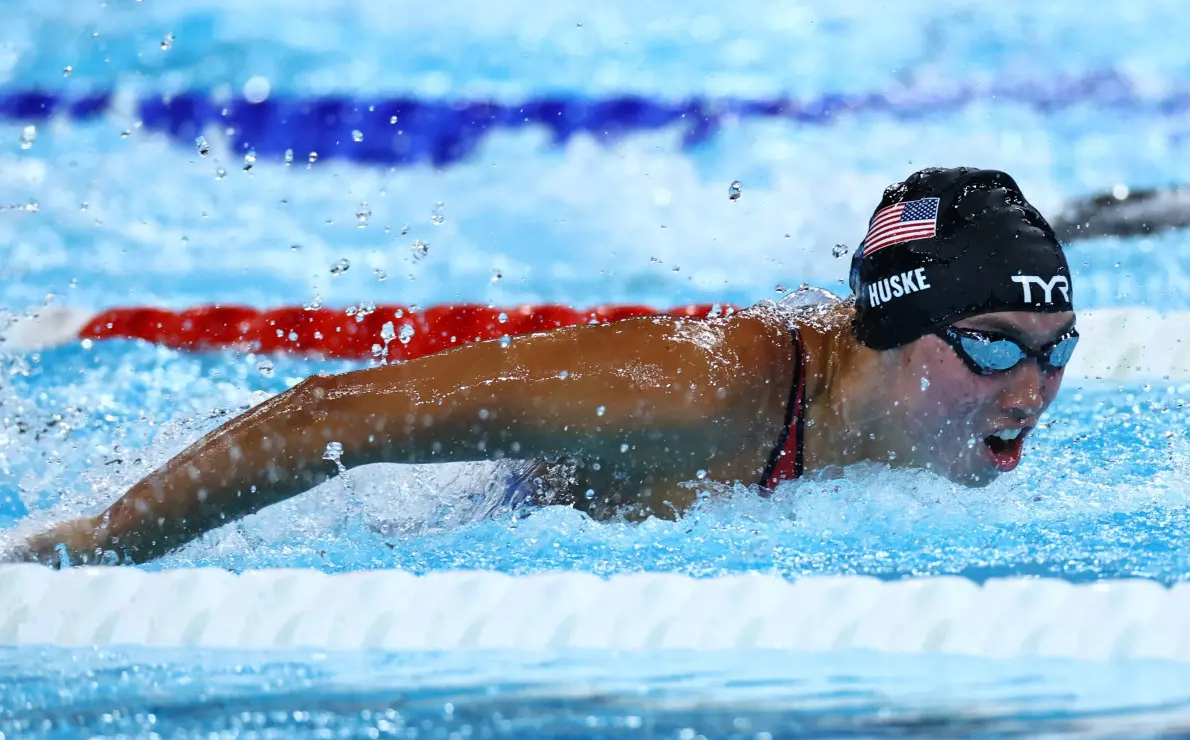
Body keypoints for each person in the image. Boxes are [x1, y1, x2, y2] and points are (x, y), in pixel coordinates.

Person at [17, 167, 1078, 566]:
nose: (1030, 393)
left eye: (1054, 353)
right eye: (993, 345)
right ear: (893, 327)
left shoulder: (932, 424)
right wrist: (103, 539)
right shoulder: (692, 388)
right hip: (441, 518)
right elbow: (329, 414)